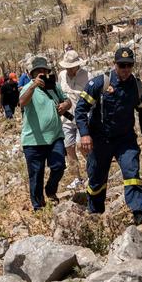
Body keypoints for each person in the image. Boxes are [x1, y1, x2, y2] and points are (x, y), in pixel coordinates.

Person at [75, 46, 142, 225]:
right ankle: (95, 213)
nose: (125, 69)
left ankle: (139, 212)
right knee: (96, 178)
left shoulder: (138, 87)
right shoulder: (100, 83)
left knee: (131, 172)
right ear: (115, 64)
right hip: (100, 139)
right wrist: (85, 135)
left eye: (129, 65)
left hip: (125, 140)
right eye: (122, 65)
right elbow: (80, 109)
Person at [19, 56, 70, 210]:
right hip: (33, 141)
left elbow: (67, 100)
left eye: (44, 71)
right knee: (36, 174)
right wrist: (33, 86)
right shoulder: (28, 87)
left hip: (55, 137)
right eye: (38, 72)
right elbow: (22, 102)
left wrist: (65, 105)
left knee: (59, 165)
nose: (42, 73)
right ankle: (38, 206)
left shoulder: (54, 86)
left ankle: (51, 190)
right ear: (32, 74)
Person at [57, 49, 90, 189]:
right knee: (69, 148)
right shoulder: (61, 76)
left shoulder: (87, 76)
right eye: (67, 67)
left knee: (82, 146)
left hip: (83, 116)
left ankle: (92, 172)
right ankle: (77, 178)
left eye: (72, 67)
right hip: (66, 118)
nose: (69, 70)